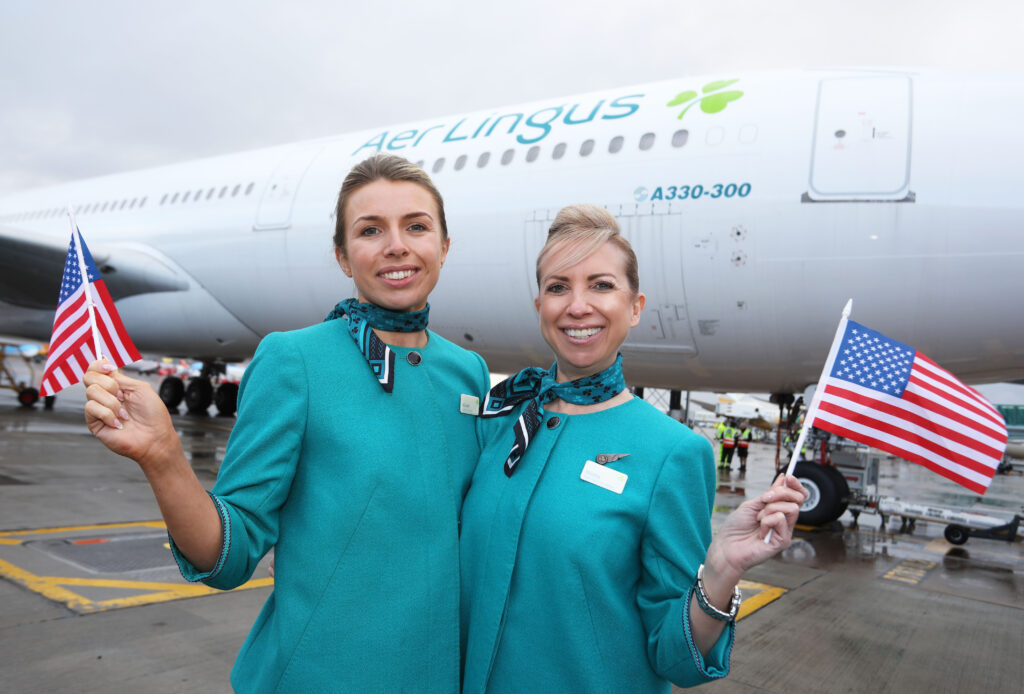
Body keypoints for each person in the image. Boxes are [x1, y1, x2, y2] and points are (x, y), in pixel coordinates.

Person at [82, 154, 490, 693]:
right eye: (371, 230)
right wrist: (163, 457)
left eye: (417, 226)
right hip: (322, 675)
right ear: (344, 257)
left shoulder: (470, 373)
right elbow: (226, 556)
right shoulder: (293, 360)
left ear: (444, 245)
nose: (397, 245)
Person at [459, 205, 806, 693]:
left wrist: (722, 569)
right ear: (540, 307)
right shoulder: (501, 426)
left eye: (601, 285)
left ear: (636, 306)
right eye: (558, 287)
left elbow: (675, 657)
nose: (578, 305)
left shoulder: (673, 452)